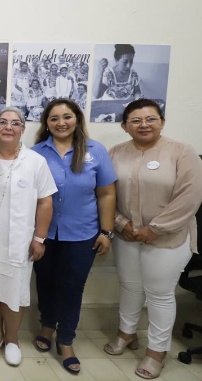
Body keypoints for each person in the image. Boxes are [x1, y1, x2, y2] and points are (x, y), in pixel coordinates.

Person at [105, 99, 202, 379]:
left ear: (162, 122)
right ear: (124, 126)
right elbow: (107, 194)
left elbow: (189, 198)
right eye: (135, 120)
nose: (143, 125)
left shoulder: (182, 152)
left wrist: (155, 228)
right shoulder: (115, 153)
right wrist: (121, 223)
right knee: (130, 286)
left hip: (169, 237)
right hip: (126, 234)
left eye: (150, 119)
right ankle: (127, 334)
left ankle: (157, 351)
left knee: (159, 294)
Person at [30, 98, 117, 375]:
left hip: (82, 234)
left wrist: (106, 232)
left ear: (77, 119)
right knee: (45, 282)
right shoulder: (35, 153)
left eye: (67, 117)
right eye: (54, 118)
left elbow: (106, 193)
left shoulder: (96, 151)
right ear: (46, 123)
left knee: (72, 288)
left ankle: (66, 340)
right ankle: (47, 325)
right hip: (44, 234)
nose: (61, 123)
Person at [0, 107, 57, 366]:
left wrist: (40, 238)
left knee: (15, 290)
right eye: (2, 122)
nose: (8, 127)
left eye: (15, 123)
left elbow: (45, 202)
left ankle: (12, 339)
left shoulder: (35, 161)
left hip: (20, 240)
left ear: (23, 129)